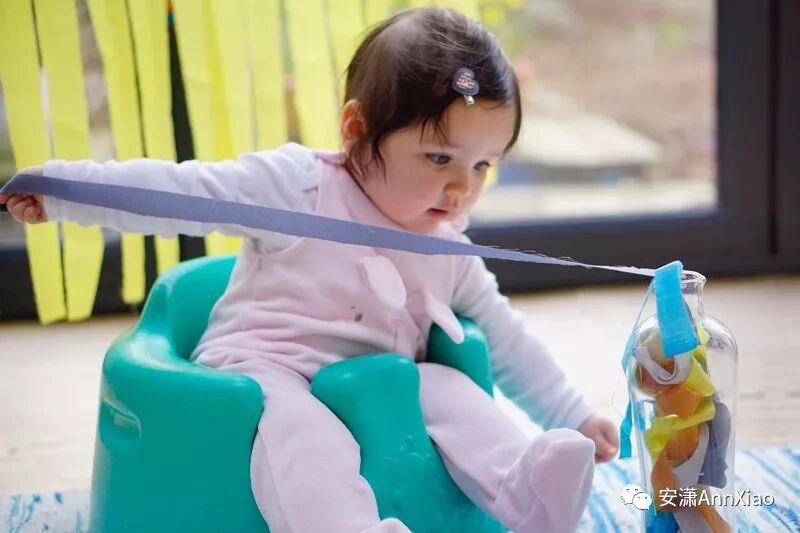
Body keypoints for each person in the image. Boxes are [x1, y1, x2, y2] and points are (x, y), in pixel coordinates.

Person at [0, 7, 619, 533]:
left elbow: (504, 337)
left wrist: (570, 413)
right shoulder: (296, 190)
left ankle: (527, 496)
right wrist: (62, 193)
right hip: (263, 371)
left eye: (483, 165)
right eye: (439, 158)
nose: (462, 187)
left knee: (454, 389)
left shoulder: (447, 247)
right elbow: (178, 192)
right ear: (356, 131)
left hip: (378, 386)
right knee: (305, 436)